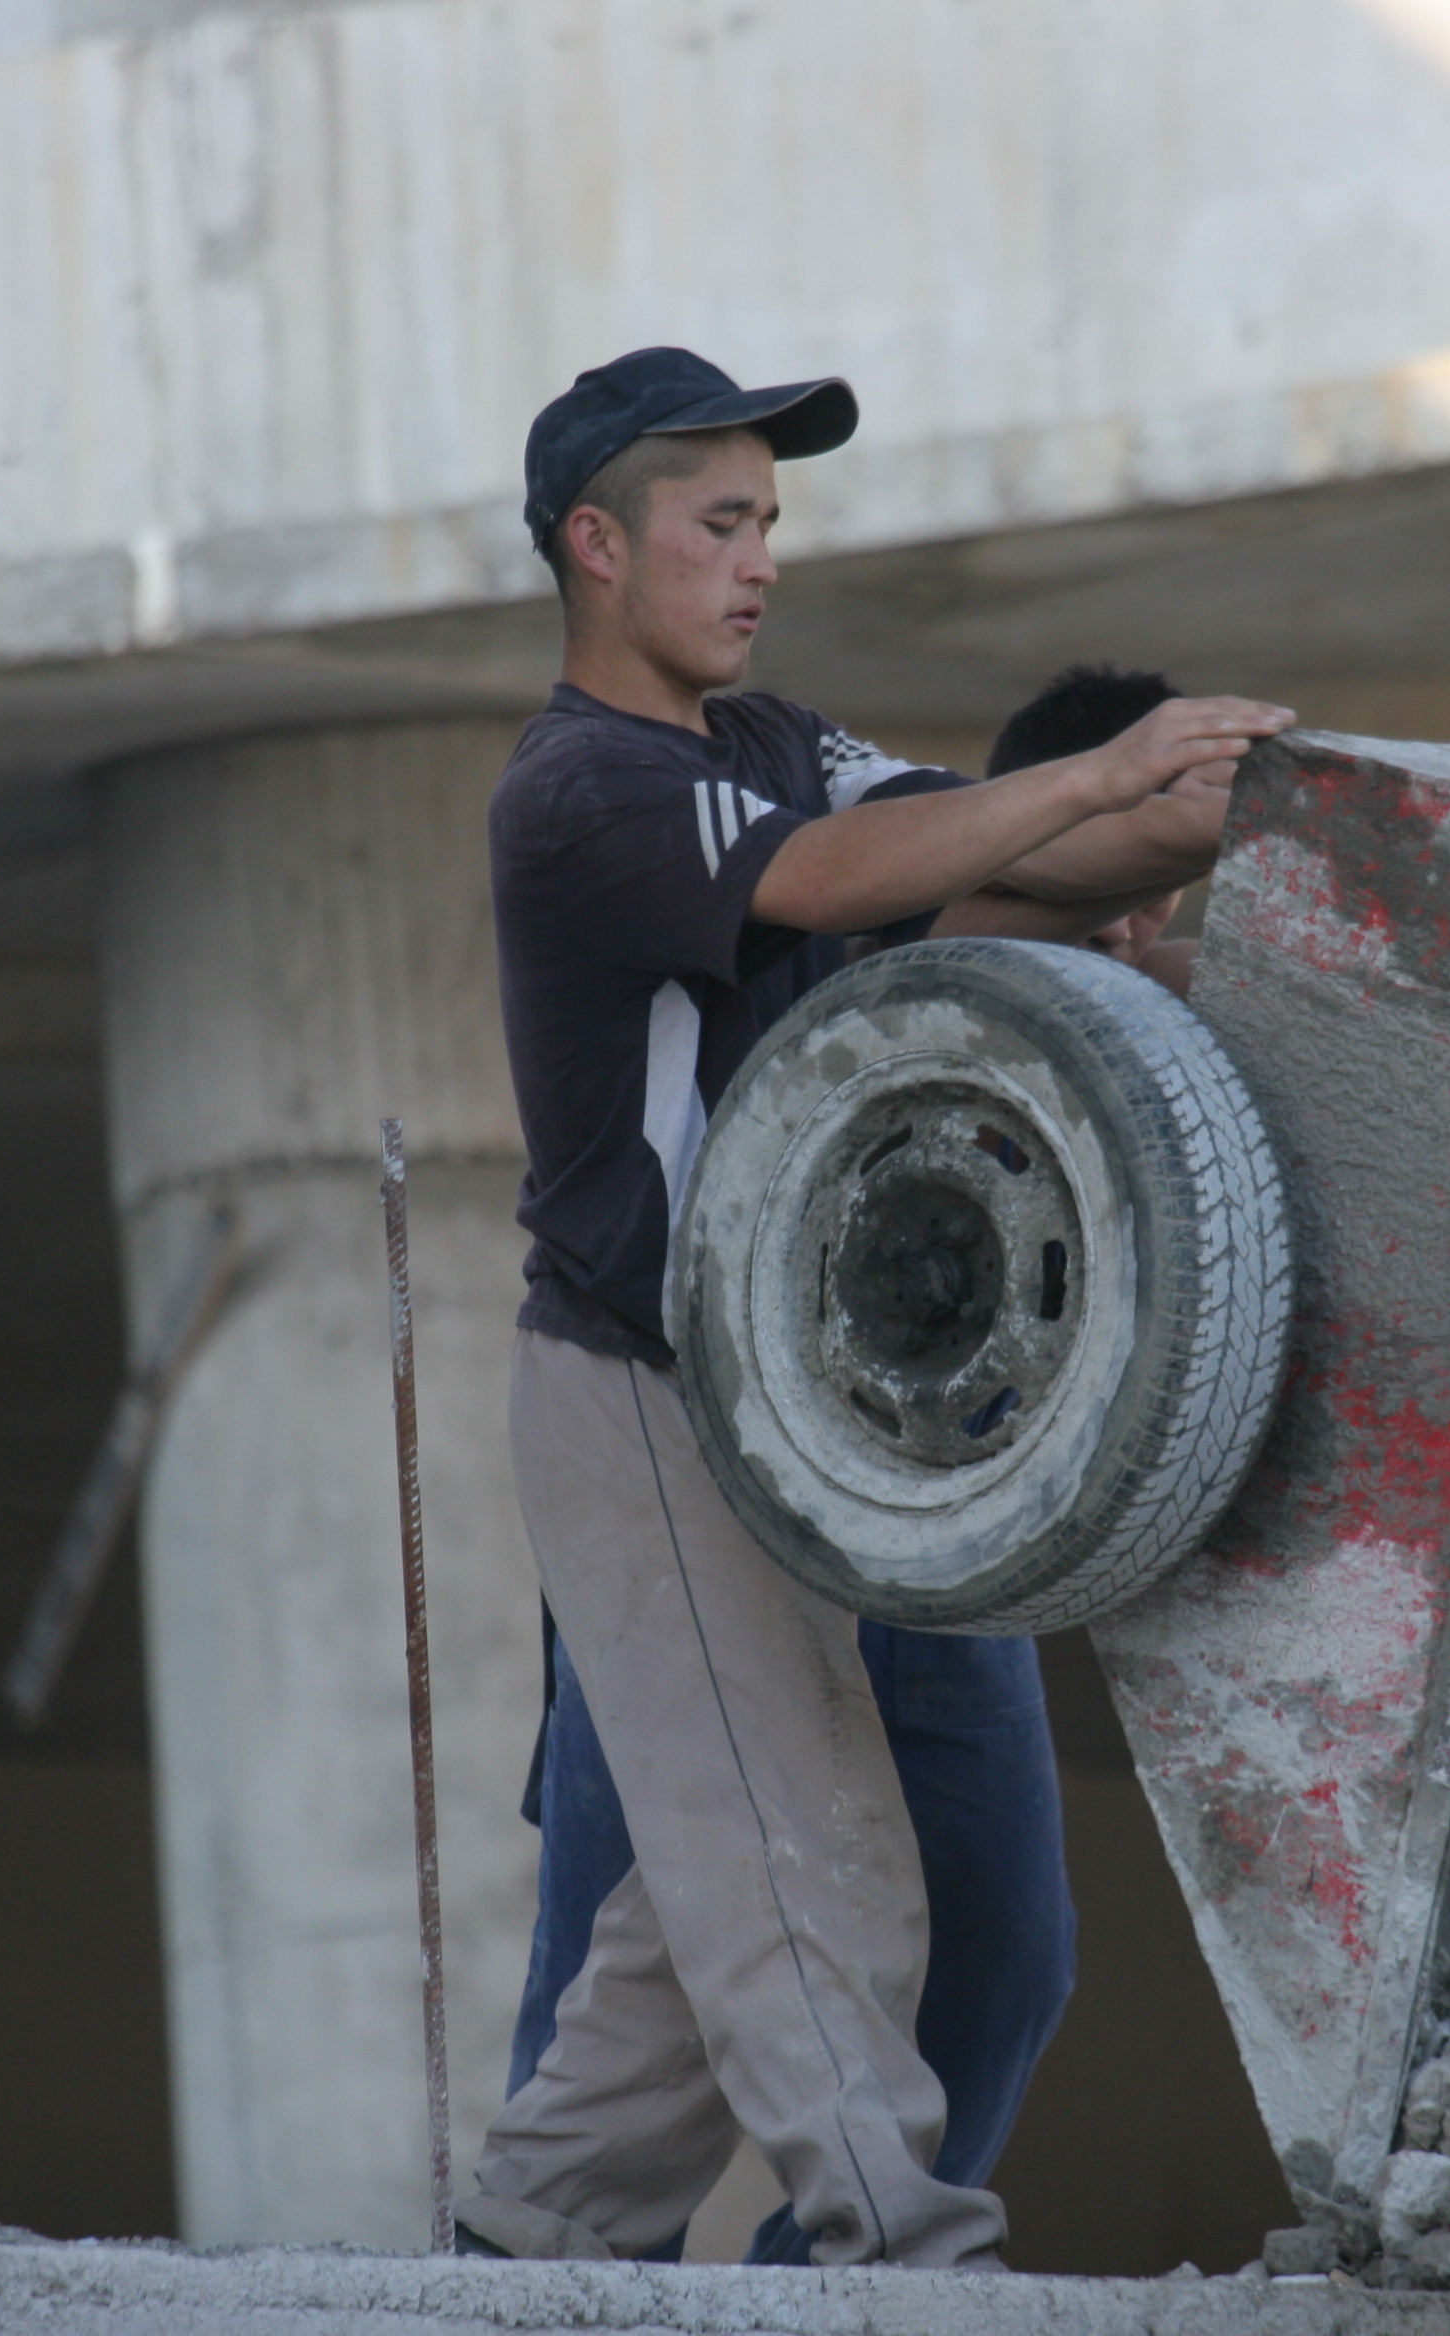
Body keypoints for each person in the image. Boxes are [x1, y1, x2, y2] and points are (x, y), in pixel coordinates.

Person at [461, 347, 1292, 2270]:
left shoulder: (762, 737)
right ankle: (901, 2253)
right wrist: (1098, 767)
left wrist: (1240, 808)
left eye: (771, 524)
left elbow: (1011, 849)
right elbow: (840, 873)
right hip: (643, 1386)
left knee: (704, 1902)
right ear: (597, 546)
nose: (760, 563)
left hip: (793, 1411)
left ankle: (527, 2248)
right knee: (792, 1847)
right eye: (722, 523)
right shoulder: (578, 789)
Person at [983, 664, 1199, 996]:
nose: (1115, 931)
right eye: (1082, 881)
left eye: (1151, 898)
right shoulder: (891, 956)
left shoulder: (1181, 995)